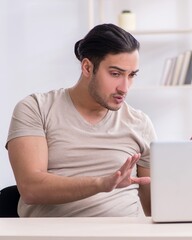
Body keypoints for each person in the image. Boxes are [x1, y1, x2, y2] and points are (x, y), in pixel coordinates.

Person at [5, 24, 156, 217]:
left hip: (125, 234)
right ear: (87, 67)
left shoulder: (140, 122)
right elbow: (31, 188)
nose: (124, 87)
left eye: (132, 75)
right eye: (115, 74)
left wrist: (190, 170)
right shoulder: (36, 108)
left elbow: (154, 208)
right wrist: (102, 184)